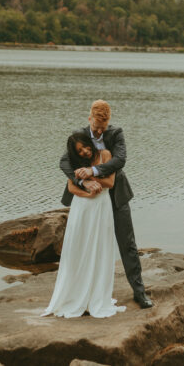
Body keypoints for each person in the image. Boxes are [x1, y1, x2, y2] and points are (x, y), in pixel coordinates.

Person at [58, 100, 153, 309]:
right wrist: (82, 181)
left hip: (116, 195)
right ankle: (83, 293)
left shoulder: (116, 133)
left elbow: (120, 160)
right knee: (85, 244)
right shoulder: (79, 136)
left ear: (108, 122)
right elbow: (64, 162)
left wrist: (93, 171)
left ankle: (140, 293)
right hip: (88, 198)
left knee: (127, 244)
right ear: (89, 118)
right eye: (96, 127)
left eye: (103, 127)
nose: (100, 132)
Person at [41, 133, 126, 318]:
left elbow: (110, 183)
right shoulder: (75, 163)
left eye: (86, 147)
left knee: (100, 248)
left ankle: (96, 296)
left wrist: (90, 176)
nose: (85, 152)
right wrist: (86, 189)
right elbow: (72, 188)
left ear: (91, 143)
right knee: (78, 249)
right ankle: (75, 295)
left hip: (102, 207)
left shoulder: (105, 155)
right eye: (80, 150)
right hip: (82, 207)